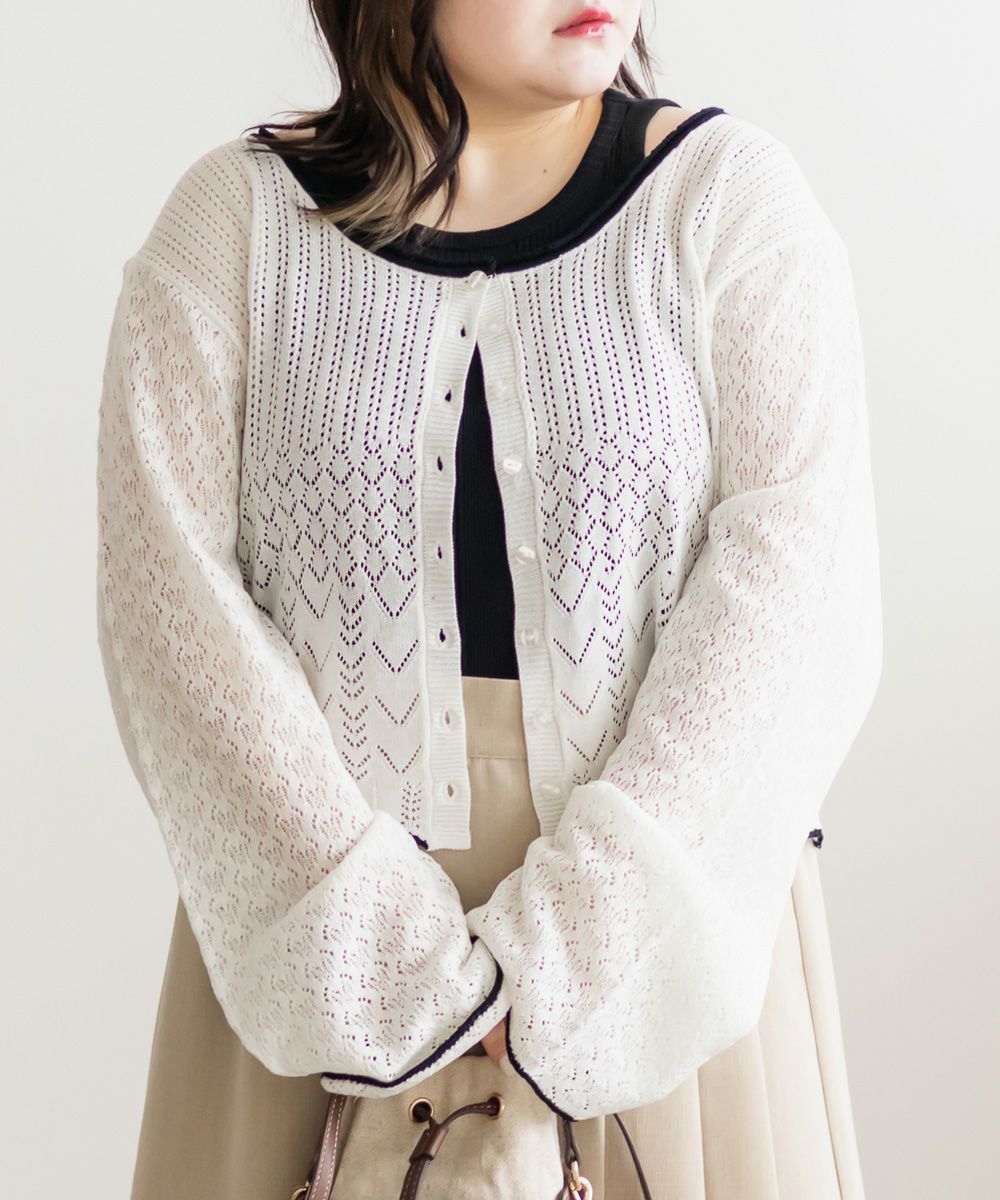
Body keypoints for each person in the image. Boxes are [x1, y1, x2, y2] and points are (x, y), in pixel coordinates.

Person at [95, 2, 883, 1196]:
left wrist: (583, 956)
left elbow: (798, 601)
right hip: (315, 950)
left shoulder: (728, 204)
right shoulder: (233, 229)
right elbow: (169, 614)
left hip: (661, 951)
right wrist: (379, 962)